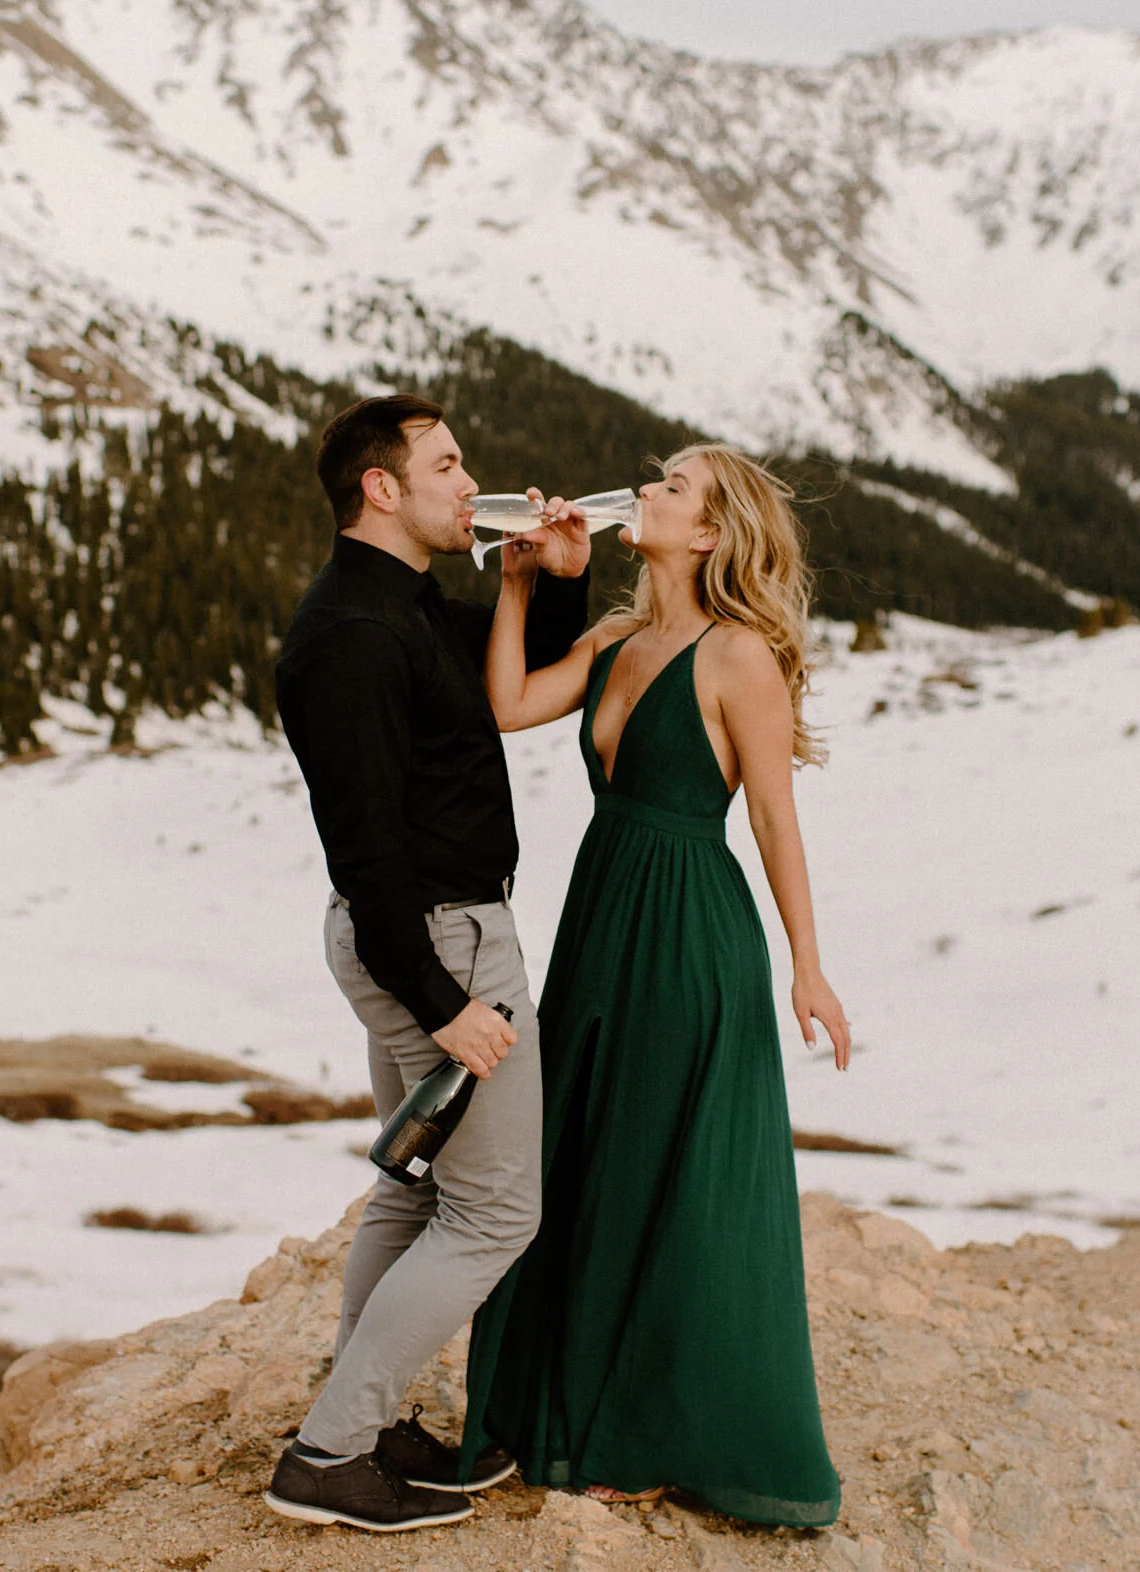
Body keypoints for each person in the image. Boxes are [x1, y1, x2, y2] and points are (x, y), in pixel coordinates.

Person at [459, 442, 850, 1527]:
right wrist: (519, 579)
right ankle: (564, 1407)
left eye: (671, 486)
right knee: (582, 1150)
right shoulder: (621, 633)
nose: (647, 492)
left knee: (655, 1164)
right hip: (601, 915)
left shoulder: (739, 658)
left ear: (712, 531)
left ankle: (647, 1429)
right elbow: (506, 702)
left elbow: (773, 813)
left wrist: (806, 966)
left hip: (689, 931)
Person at [265, 394, 592, 1532]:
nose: (472, 483)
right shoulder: (348, 636)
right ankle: (329, 1450)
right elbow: (365, 849)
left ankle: (369, 1418)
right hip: (432, 938)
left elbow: (525, 682)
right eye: (449, 465)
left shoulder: (402, 603)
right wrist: (445, 1002)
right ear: (381, 488)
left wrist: (544, 577)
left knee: (412, 1190)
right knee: (497, 1212)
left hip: (437, 930)